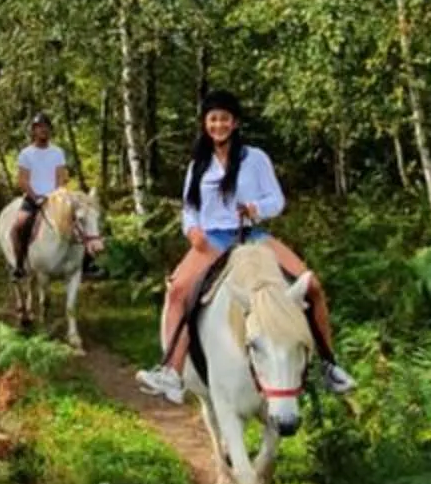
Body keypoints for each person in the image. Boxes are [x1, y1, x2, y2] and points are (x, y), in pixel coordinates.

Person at [134, 92, 355, 403]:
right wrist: (192, 230)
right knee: (177, 291)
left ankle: (329, 365)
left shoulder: (255, 158)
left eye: (224, 118)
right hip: (212, 238)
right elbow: (189, 208)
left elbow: (276, 200)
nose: (218, 124)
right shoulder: (198, 164)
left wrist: (255, 208)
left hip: (252, 235)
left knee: (312, 286)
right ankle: (171, 370)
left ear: (235, 123)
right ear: (205, 123)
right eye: (213, 119)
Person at [10, 113, 69, 273]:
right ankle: (20, 265)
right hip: (33, 198)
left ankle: (86, 263)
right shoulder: (26, 154)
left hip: (55, 198)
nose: (43, 130)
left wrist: (54, 196)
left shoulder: (58, 152)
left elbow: (61, 177)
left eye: (46, 127)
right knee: (19, 226)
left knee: (79, 220)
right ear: (34, 131)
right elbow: (23, 181)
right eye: (39, 127)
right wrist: (36, 198)